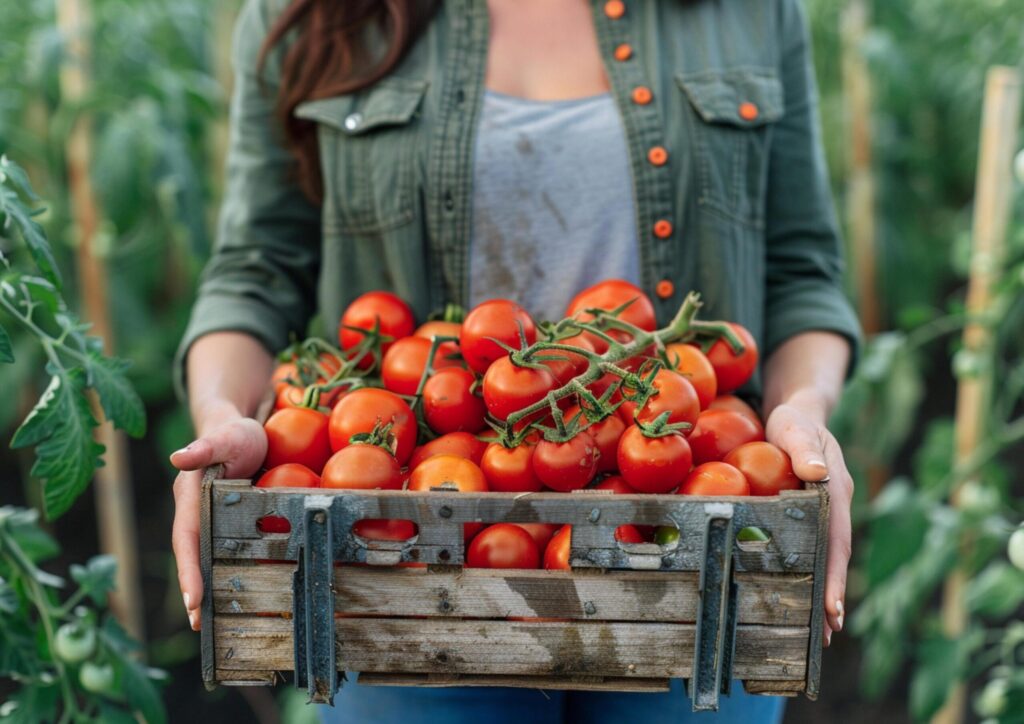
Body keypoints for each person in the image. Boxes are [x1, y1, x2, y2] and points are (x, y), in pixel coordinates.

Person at [170, 0, 860, 722]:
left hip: (692, 558)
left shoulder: (750, 12)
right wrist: (222, 415)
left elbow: (801, 273)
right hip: (402, 579)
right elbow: (253, 274)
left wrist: (802, 408)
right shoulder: (307, 13)